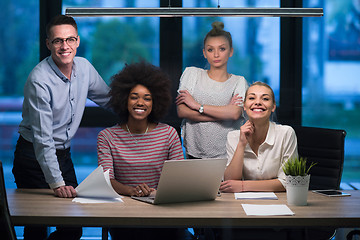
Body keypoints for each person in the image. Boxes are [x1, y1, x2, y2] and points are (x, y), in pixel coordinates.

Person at [12, 15, 111, 240]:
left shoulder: (84, 67)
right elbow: (43, 139)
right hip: (32, 157)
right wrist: (57, 183)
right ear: (48, 44)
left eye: (70, 39)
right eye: (58, 41)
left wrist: (138, 108)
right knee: (36, 225)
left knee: (72, 224)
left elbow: (109, 99)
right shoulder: (40, 80)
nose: (64, 46)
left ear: (77, 41)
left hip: (63, 155)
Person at [97, 62, 185, 240]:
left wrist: (154, 193)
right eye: (134, 97)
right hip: (124, 212)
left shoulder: (168, 134)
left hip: (163, 210)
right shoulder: (107, 137)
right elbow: (107, 181)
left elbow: (179, 177)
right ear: (124, 99)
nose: (140, 103)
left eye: (147, 98)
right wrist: (131, 191)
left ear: (155, 102)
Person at [176, 21, 248, 159]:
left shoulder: (239, 81)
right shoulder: (192, 74)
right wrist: (223, 113)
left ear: (231, 51)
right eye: (210, 49)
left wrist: (197, 106)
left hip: (227, 154)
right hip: (194, 153)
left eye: (222, 49)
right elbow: (182, 111)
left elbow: (234, 114)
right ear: (204, 53)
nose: (216, 54)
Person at [220, 81, 298, 193]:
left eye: (265, 99)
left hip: (279, 202)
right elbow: (230, 182)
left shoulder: (286, 133)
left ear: (273, 107)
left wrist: (243, 186)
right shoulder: (233, 136)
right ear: (244, 106)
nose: (257, 102)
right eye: (252, 98)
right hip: (240, 203)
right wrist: (241, 144)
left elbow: (288, 181)